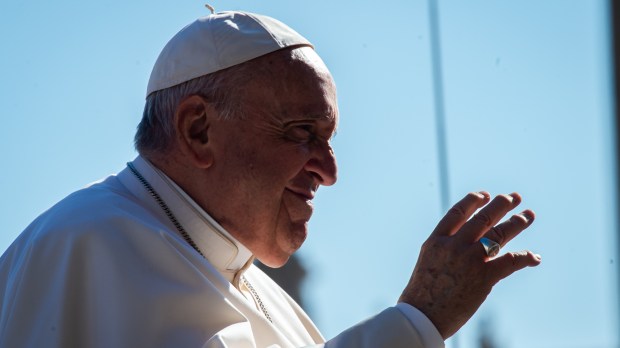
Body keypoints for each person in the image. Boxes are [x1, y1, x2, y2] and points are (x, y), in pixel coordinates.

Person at [0, 10, 541, 348]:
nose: (328, 172)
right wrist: (417, 320)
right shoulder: (89, 242)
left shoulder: (263, 293)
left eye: (329, 140)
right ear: (198, 130)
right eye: (300, 132)